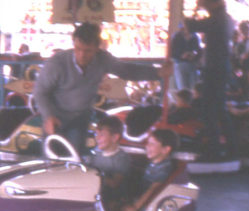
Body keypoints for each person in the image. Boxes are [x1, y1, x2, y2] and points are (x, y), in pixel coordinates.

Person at [34, 21, 170, 154]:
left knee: (74, 159)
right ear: (73, 44)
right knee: (51, 159)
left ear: (97, 48)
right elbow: (40, 92)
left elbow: (126, 70)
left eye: (88, 51)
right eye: (78, 49)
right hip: (56, 116)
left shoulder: (103, 59)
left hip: (80, 116)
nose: (82, 55)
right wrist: (49, 115)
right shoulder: (56, 63)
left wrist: (157, 73)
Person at [185, 0, 236, 158]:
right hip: (219, 66)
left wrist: (194, 10)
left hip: (215, 68)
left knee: (209, 109)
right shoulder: (224, 18)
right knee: (219, 108)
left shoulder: (217, 18)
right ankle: (230, 146)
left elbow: (190, 25)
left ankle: (214, 148)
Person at [120, 129, 179, 211]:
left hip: (145, 204)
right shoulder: (155, 163)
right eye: (147, 143)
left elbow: (153, 189)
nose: (147, 146)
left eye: (152, 144)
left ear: (165, 149)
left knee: (121, 209)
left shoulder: (164, 168)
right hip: (140, 196)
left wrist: (135, 207)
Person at [84, 115, 132, 211]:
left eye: (101, 135)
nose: (97, 138)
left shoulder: (122, 158)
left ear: (114, 137)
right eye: (96, 134)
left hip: (113, 198)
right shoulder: (95, 154)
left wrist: (93, 176)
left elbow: (114, 183)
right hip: (95, 193)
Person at [170, 21, 201, 91]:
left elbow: (199, 50)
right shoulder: (176, 37)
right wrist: (181, 55)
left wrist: (194, 55)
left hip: (192, 65)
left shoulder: (195, 37)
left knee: (194, 88)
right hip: (180, 64)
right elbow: (172, 52)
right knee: (183, 88)